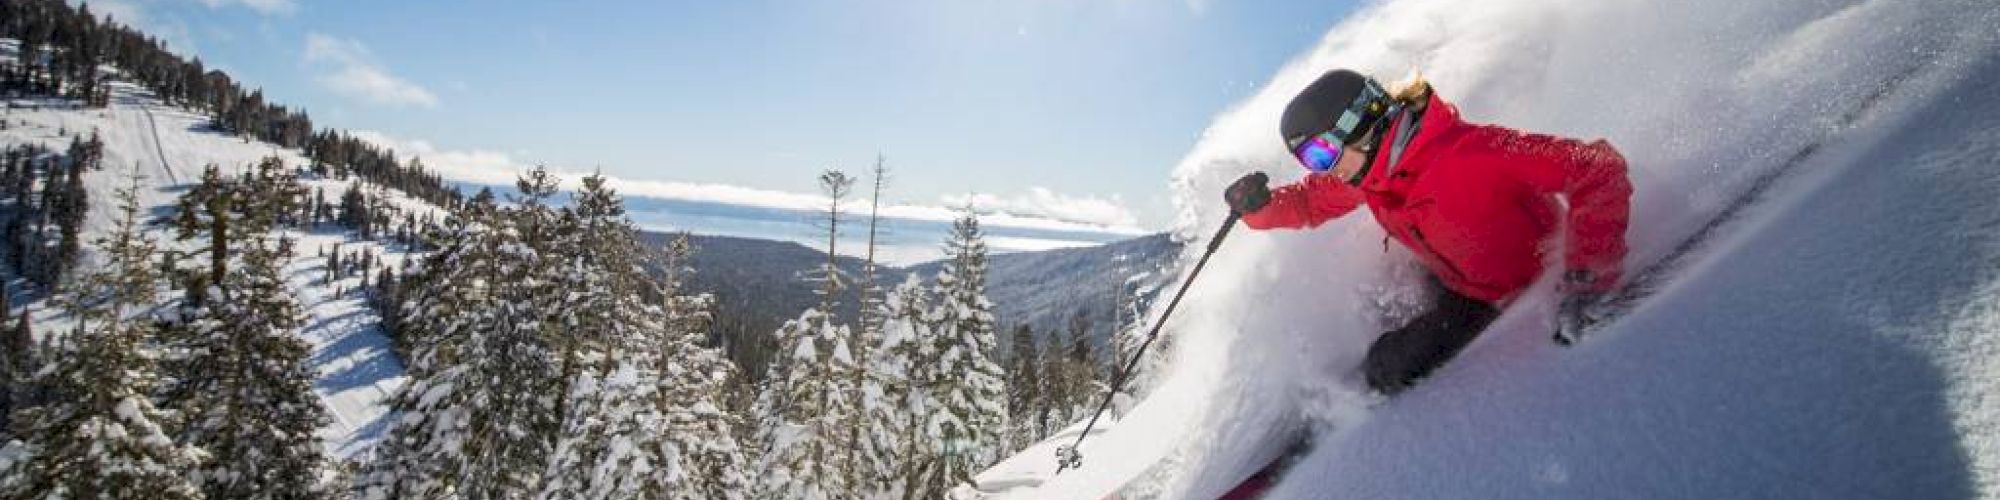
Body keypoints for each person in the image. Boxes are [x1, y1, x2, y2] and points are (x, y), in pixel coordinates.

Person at [1224, 69, 1631, 395]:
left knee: (1392, 365)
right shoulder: (1368, 175)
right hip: (1454, 276)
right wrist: (1259, 209)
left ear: (1360, 123)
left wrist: (1589, 272)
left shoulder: (1472, 152)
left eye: (1322, 153)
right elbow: (1309, 203)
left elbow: (1595, 166)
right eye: (1311, 161)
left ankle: (1360, 397)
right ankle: (1355, 375)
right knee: (1375, 305)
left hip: (1502, 291)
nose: (1325, 169)